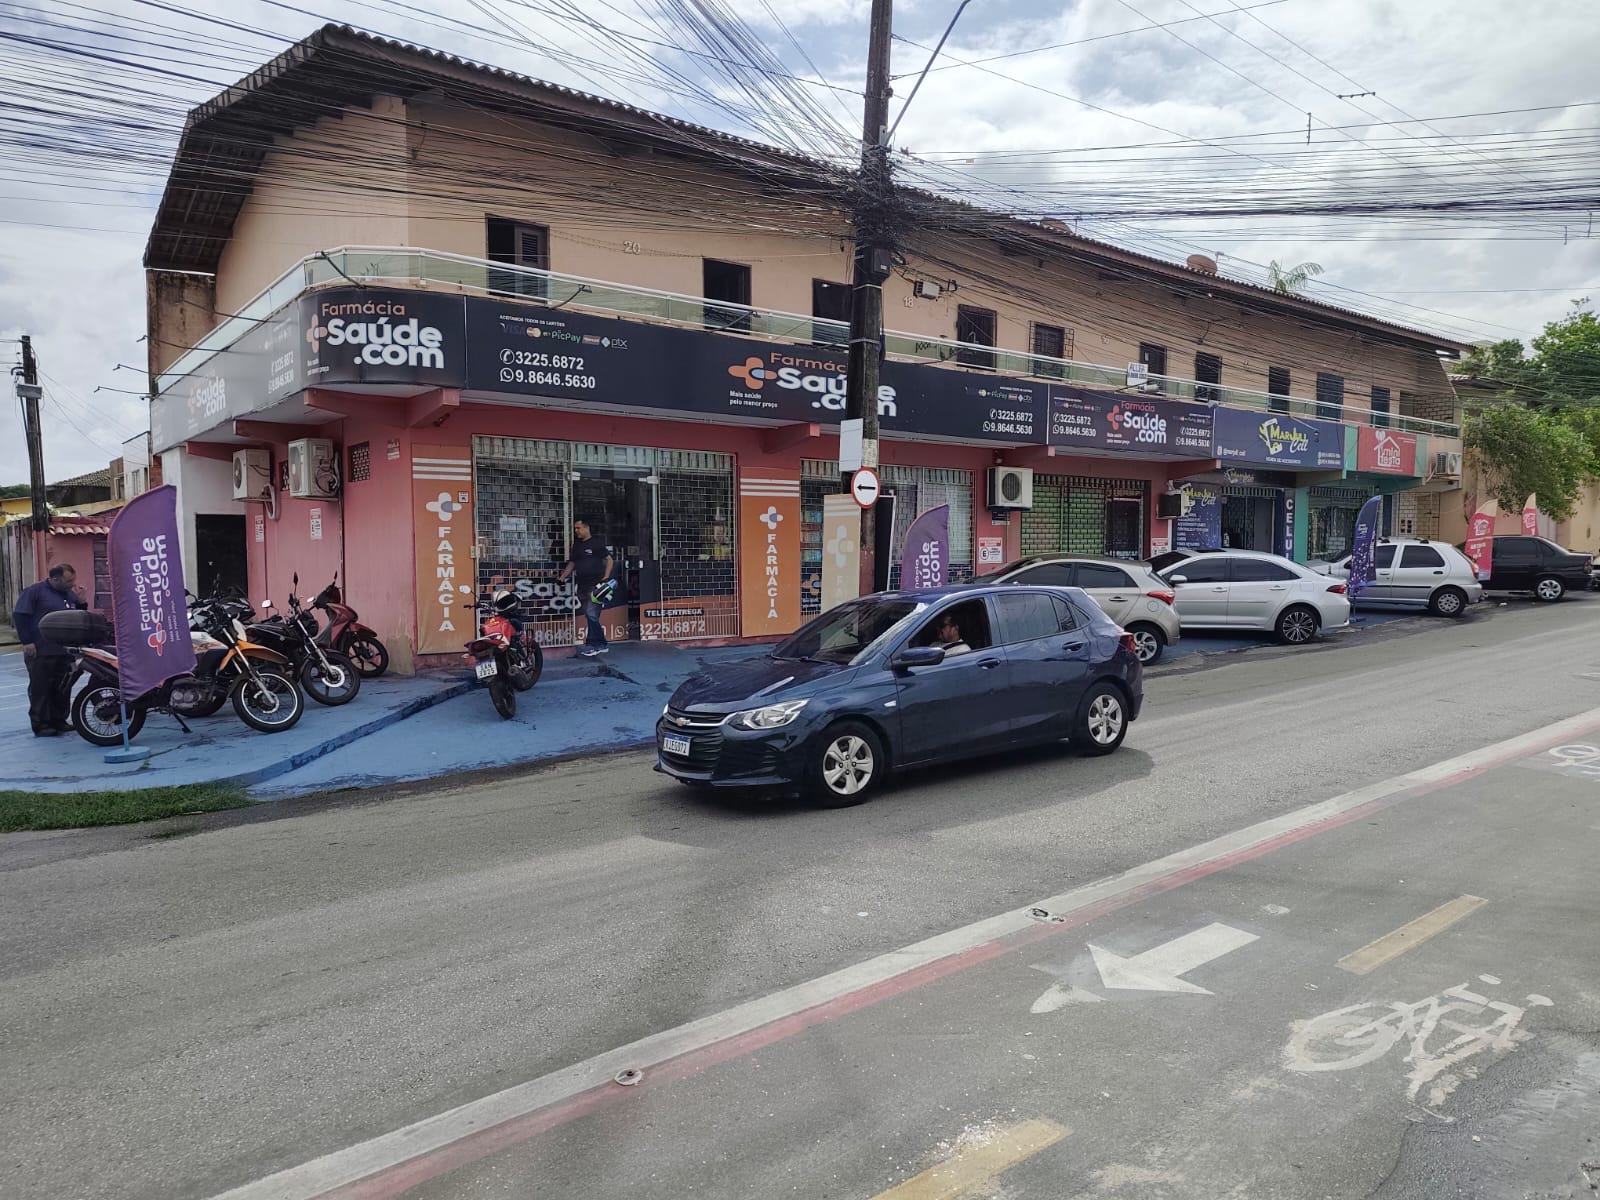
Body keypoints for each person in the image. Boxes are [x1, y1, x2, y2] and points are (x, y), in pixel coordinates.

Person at [12, 563, 86, 737]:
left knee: (62, 688)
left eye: (73, 580)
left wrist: (82, 601)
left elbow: (79, 616)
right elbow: (20, 615)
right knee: (41, 688)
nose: (72, 584)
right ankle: (41, 724)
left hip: (64, 650)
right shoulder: (34, 592)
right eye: (68, 581)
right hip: (41, 649)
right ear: (55, 579)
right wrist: (27, 641)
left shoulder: (68, 593)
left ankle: (59, 720)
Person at [558, 519, 615, 657]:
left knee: (591, 614)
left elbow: (609, 560)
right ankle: (598, 643)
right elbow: (572, 563)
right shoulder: (577, 545)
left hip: (596, 585)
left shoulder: (596, 543)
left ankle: (597, 644)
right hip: (581, 585)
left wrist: (606, 577)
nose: (576, 531)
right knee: (591, 616)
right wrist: (562, 577)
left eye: (578, 528)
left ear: (586, 528)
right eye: (575, 528)